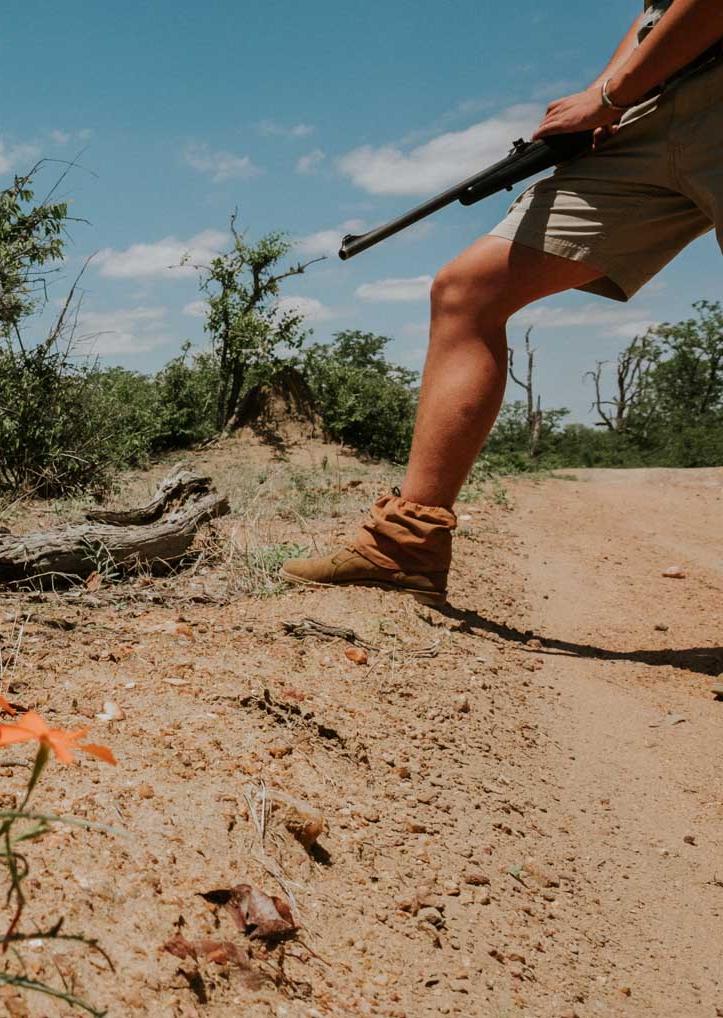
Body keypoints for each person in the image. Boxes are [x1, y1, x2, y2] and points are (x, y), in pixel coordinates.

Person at [282, 1, 723, 700]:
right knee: (469, 290)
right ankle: (406, 549)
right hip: (654, 102)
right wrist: (607, 100)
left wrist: (609, 94)